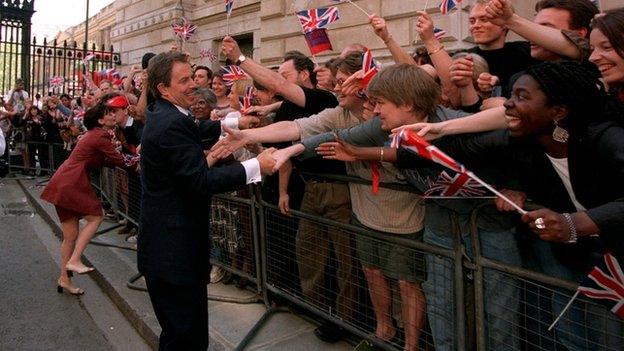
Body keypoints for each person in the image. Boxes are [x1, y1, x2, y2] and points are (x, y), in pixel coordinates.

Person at [137, 51, 276, 350]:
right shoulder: (170, 123)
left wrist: (242, 119)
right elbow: (199, 181)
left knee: (183, 334)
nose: (192, 86)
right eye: (184, 80)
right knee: (185, 338)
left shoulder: (167, 113)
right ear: (163, 88)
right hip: (174, 254)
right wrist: (255, 167)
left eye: (192, 77)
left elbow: (200, 128)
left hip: (168, 250)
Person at [40, 96, 133, 295]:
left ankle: (64, 278)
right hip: (71, 182)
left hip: (63, 182)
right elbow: (120, 160)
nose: (113, 116)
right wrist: (140, 159)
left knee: (70, 236)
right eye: (109, 114)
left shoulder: (94, 135)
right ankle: (74, 260)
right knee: (96, 216)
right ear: (101, 120)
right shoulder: (100, 136)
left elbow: (104, 160)